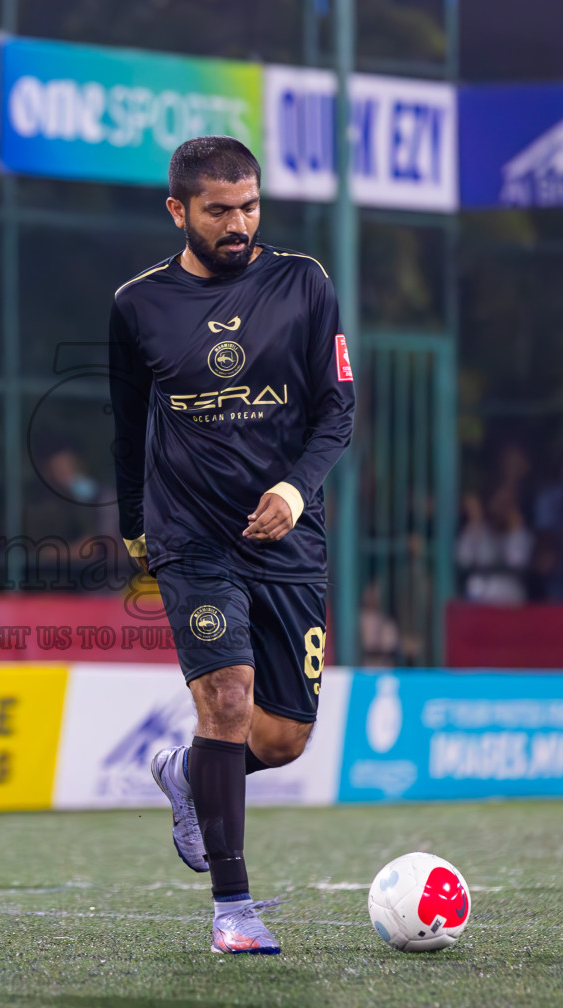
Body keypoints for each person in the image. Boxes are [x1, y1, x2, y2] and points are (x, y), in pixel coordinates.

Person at [109, 136, 354, 955]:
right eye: (219, 210)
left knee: (281, 738)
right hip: (192, 538)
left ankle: (186, 775)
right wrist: (137, 531)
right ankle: (232, 910)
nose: (239, 223)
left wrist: (293, 490)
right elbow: (124, 425)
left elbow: (338, 411)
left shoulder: (305, 282)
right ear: (178, 211)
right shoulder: (137, 304)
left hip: (289, 534)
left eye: (249, 206)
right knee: (227, 699)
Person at [456, 486, 534, 605]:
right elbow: (463, 559)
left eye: (506, 504)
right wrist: (474, 524)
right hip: (479, 601)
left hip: (509, 599)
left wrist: (514, 531)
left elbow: (517, 562)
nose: (500, 508)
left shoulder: (521, 534)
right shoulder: (478, 530)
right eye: (497, 502)